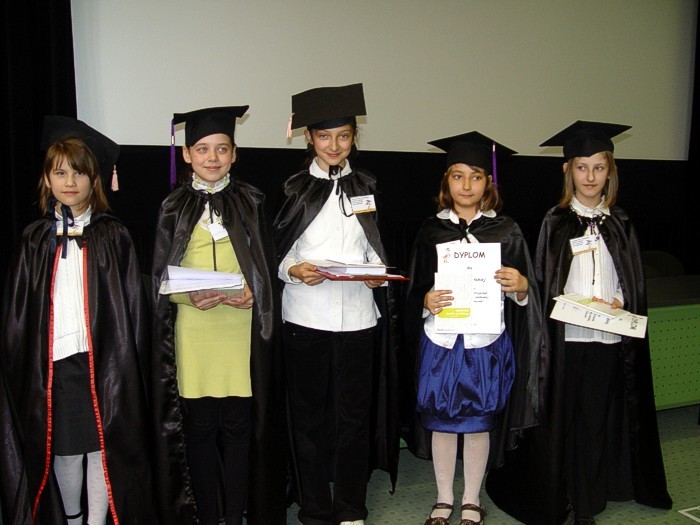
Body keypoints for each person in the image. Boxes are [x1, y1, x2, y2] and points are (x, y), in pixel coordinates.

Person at [485, 121, 672, 524]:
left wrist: (619, 300)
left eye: (599, 168)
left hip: (608, 338)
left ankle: (591, 496)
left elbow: (630, 281)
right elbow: (544, 280)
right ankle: (569, 497)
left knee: (596, 419)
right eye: (582, 168)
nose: (590, 177)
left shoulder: (621, 222)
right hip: (567, 339)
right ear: (567, 170)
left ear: (610, 171)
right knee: (565, 419)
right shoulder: (555, 221)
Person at [0, 116, 156, 524]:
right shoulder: (35, 239)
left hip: (102, 361)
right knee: (65, 450)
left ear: (94, 179)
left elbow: (130, 307)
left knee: (102, 449)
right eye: (60, 173)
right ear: (47, 179)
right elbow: (19, 312)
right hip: (54, 364)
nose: (70, 182)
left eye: (79, 173)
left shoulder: (112, 235)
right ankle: (71, 519)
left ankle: (96, 521)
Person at [150, 106, 287, 525]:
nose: (213, 157)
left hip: (240, 329)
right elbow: (159, 276)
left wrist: (255, 291)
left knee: (239, 427)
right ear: (187, 154)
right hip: (195, 332)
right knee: (200, 428)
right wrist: (187, 296)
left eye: (222, 149)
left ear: (234, 154)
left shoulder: (251, 200)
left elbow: (265, 263)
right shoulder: (173, 206)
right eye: (203, 149)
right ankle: (209, 516)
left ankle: (236, 513)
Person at [273, 83, 400, 525]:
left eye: (343, 136)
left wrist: (375, 272)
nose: (334, 145)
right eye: (324, 136)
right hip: (305, 316)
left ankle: (350, 506)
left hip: (359, 319)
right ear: (309, 138)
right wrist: (294, 270)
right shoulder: (293, 188)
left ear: (354, 138)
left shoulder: (368, 185)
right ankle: (313, 506)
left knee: (354, 419)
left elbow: (375, 248)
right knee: (307, 419)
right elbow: (278, 252)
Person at [404, 132, 542, 525]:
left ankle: (471, 499)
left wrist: (521, 286)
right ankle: (443, 497)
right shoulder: (431, 230)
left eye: (476, 177)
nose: (466, 185)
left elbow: (527, 291)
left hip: (485, 342)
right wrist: (424, 300)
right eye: (458, 176)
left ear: (488, 183)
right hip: (441, 340)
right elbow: (413, 288)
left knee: (479, 423)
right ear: (446, 182)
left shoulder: (506, 230)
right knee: (442, 421)